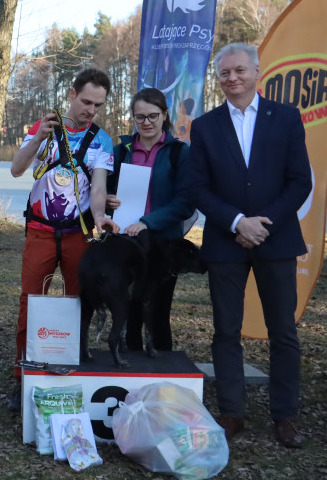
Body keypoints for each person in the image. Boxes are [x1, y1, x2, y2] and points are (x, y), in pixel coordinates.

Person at [187, 42, 312, 448]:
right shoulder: (205, 127)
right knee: (226, 331)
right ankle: (232, 412)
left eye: (240, 70)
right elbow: (198, 188)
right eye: (225, 73)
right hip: (225, 241)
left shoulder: (287, 118)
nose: (232, 78)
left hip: (276, 241)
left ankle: (285, 416)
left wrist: (262, 225)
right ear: (219, 78)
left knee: (283, 331)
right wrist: (238, 222)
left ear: (257, 72)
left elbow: (299, 182)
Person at [10, 67, 119, 376]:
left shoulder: (102, 141)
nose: (91, 111)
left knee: (77, 302)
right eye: (86, 102)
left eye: (98, 105)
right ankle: (23, 374)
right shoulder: (45, 127)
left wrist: (100, 218)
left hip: (78, 235)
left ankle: (70, 372)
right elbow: (17, 169)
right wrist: (37, 139)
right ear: (72, 95)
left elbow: (98, 187)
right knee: (30, 302)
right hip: (41, 232)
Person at [106, 87, 195, 352]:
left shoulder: (180, 152)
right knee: (128, 311)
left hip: (162, 244)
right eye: (140, 117)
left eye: (153, 116)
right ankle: (129, 374)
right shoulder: (121, 151)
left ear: (165, 115)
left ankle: (163, 379)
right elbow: (104, 188)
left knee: (157, 312)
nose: (146, 122)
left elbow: (186, 203)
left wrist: (148, 221)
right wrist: (108, 199)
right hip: (126, 243)